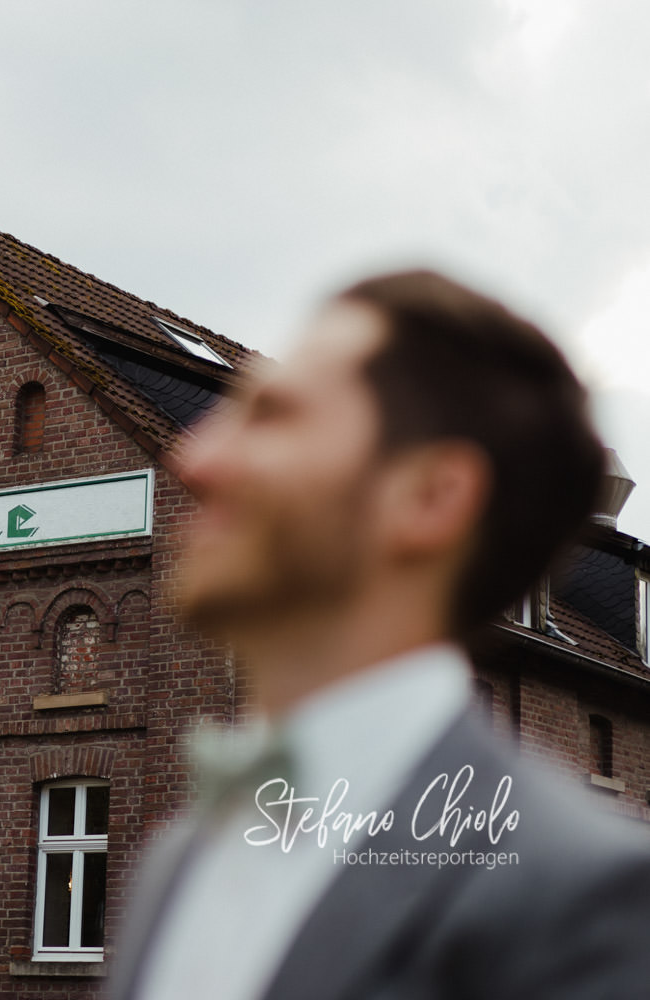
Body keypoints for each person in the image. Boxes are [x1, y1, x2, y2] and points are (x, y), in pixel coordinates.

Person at [110, 270, 650, 999]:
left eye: (276, 416)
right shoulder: (176, 863)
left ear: (432, 495)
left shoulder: (582, 899)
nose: (196, 459)